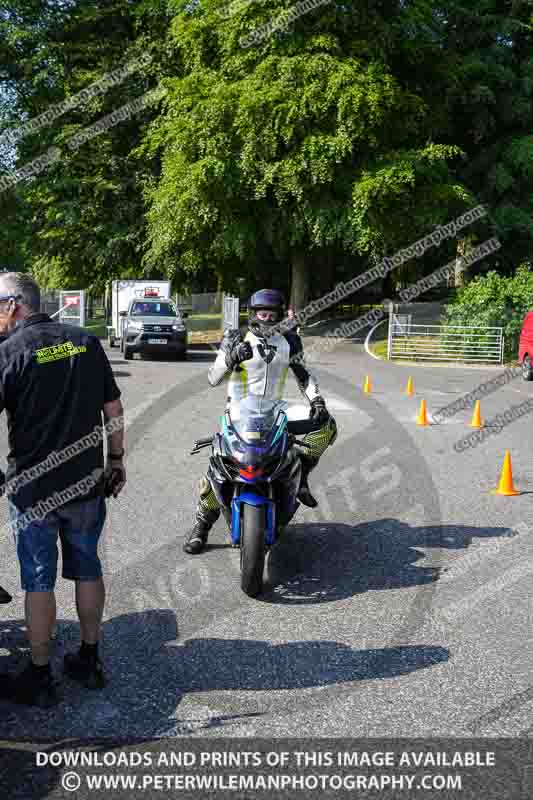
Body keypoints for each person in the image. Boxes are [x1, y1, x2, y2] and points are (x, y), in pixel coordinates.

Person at [0, 273, 126, 707]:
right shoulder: (85, 342)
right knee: (88, 567)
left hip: (34, 491)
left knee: (38, 580)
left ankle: (39, 675)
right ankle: (89, 659)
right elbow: (112, 407)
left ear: (14, 304)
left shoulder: (9, 352)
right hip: (87, 482)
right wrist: (116, 460)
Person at [183, 289, 337, 555]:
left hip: (276, 408)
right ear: (252, 314)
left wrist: (317, 401)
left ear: (279, 316)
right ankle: (202, 526)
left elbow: (304, 376)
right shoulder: (234, 336)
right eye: (261, 313)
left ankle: (300, 476)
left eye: (271, 314)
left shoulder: (290, 340)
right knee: (219, 467)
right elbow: (213, 378)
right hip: (239, 411)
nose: (266, 318)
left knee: (327, 426)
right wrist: (232, 358)